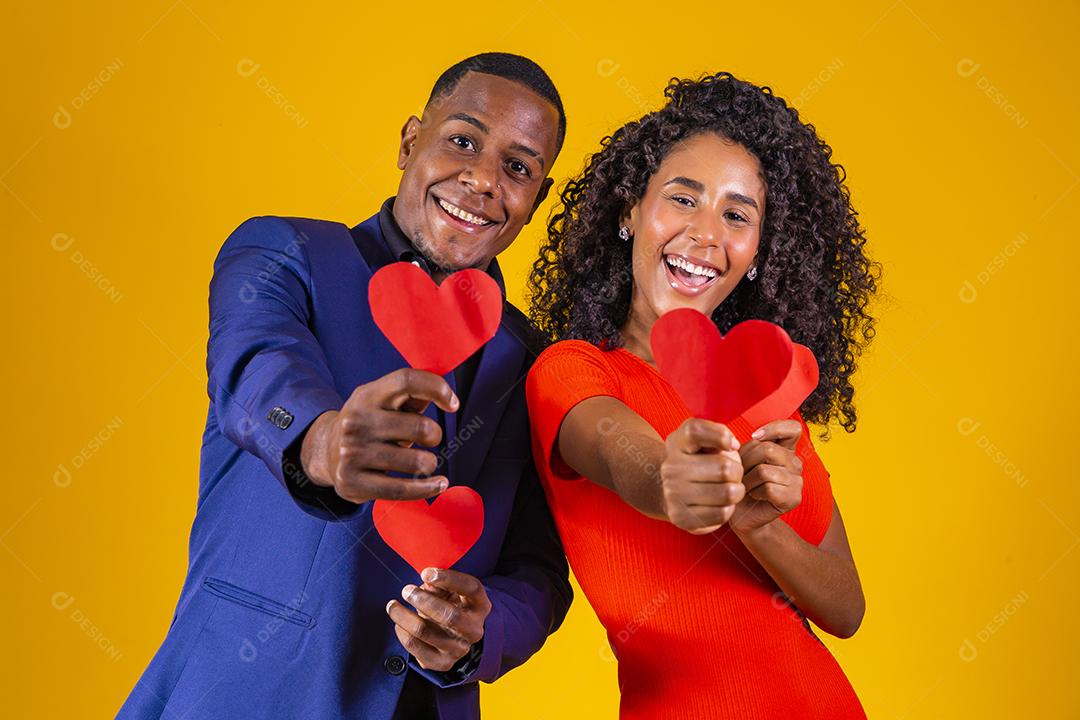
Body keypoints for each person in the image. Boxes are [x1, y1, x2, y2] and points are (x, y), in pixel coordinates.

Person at [118, 52, 572, 720]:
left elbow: (538, 569)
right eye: (462, 141)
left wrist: (485, 629)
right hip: (248, 692)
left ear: (538, 197)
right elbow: (255, 367)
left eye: (517, 166)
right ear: (410, 140)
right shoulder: (284, 252)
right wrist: (323, 442)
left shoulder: (534, 362)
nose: (481, 179)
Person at [525, 71, 880, 719]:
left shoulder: (766, 399)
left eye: (736, 214)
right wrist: (675, 481)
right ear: (630, 210)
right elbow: (625, 457)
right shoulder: (574, 370)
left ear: (756, 251)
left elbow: (844, 607)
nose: (707, 233)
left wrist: (756, 524)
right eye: (684, 199)